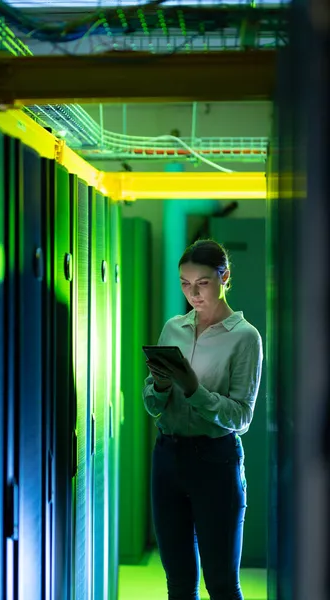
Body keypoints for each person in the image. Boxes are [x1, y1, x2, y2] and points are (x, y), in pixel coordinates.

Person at [142, 239, 263, 600]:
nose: (192, 293)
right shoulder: (173, 328)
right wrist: (161, 387)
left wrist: (194, 390)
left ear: (224, 277)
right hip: (167, 456)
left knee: (222, 585)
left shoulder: (245, 337)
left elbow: (241, 417)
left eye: (202, 283)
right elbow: (152, 404)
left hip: (215, 461)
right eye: (184, 283)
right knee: (178, 584)